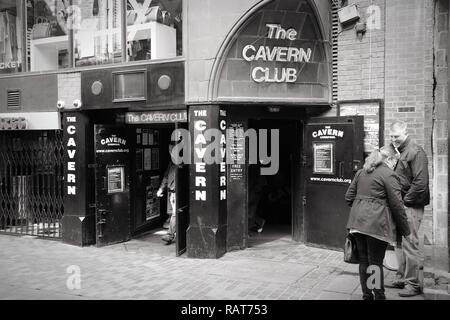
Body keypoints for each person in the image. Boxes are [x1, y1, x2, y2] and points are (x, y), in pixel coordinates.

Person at [345, 146, 410, 300]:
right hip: (376, 224)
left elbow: (349, 197)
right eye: (396, 161)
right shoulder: (388, 174)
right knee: (375, 262)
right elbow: (397, 205)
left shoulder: (361, 172)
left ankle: (367, 296)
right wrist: (406, 231)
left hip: (357, 224)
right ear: (390, 159)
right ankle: (379, 296)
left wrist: (361, 208)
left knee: (364, 260)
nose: (396, 164)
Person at [387, 120, 430, 297]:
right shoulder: (401, 151)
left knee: (410, 243)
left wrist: (405, 202)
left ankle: (413, 285)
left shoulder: (415, 151)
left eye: (396, 136)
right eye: (391, 136)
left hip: (410, 206)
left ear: (405, 132)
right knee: (399, 242)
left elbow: (420, 183)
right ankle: (401, 278)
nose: (393, 139)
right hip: (401, 206)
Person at [157, 141, 178, 245]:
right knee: (175, 213)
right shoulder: (171, 164)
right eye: (170, 151)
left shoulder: (182, 163)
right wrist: (161, 189)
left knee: (175, 214)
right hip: (172, 193)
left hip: (179, 193)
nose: (171, 153)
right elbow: (166, 177)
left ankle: (170, 235)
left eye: (172, 151)